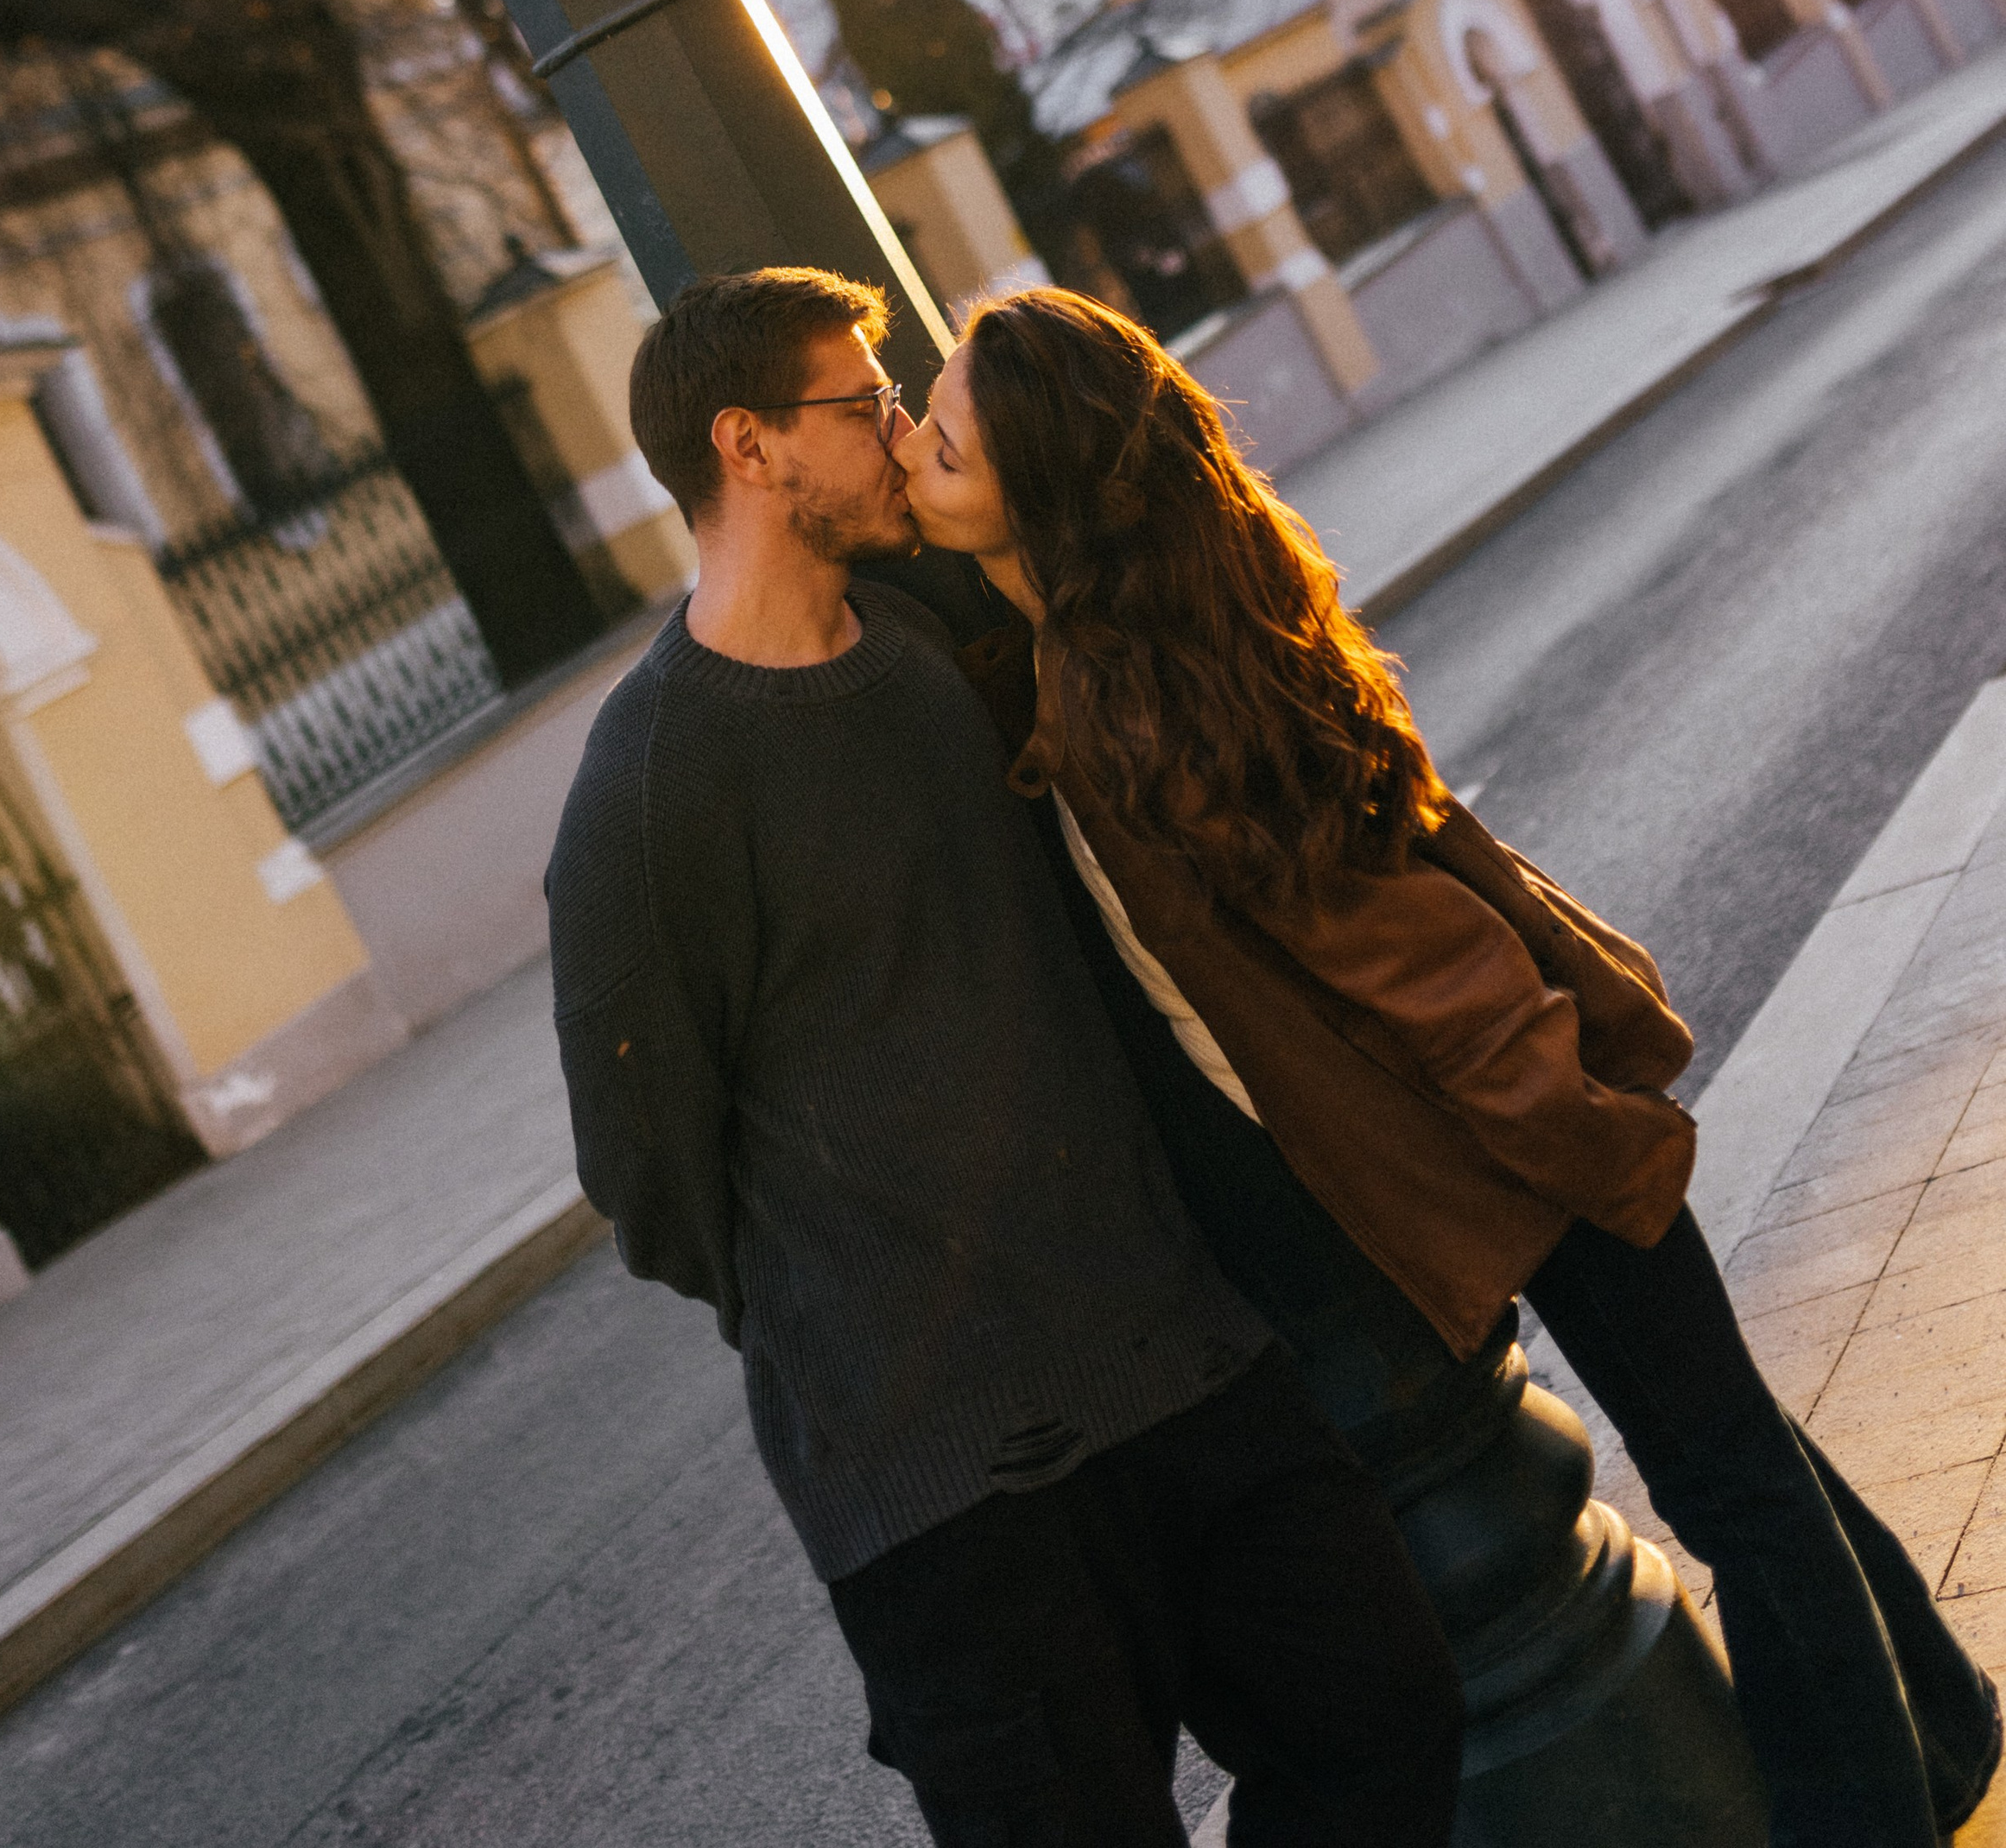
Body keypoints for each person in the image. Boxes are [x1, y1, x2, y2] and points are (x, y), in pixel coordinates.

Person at [895, 284, 2003, 1848]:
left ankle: (1863, 1815)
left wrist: (1569, 1120)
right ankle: (1942, 1726)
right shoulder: (1123, 654)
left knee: (1731, 1479)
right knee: (1742, 1452)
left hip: (1514, 1124)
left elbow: (1401, 958)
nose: (908, 452)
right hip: (1474, 1139)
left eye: (940, 442)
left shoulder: (1135, 710)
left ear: (1046, 488)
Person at [545, 266, 1464, 1848]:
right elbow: (648, 1179)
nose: (901, 433)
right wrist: (882, 1307)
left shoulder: (920, 654)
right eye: (864, 406)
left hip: (1180, 1360)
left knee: (1392, 1724)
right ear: (749, 448)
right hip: (951, 1489)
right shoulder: (648, 786)